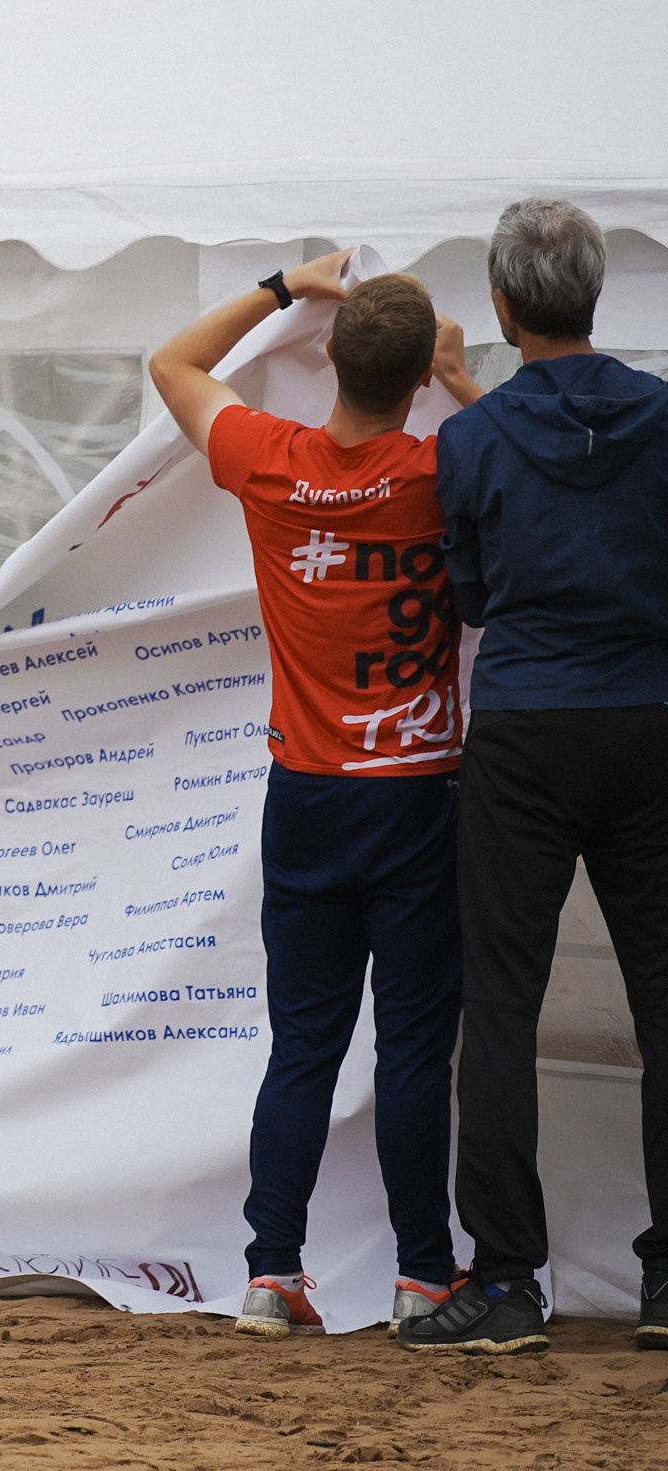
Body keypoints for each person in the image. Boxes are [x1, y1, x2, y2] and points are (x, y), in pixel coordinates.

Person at [150, 251, 475, 1339]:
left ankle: (270, 1272)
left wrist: (288, 284)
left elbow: (173, 361)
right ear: (422, 375)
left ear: (328, 358)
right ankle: (423, 1274)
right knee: (414, 1053)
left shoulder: (268, 458)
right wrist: (465, 381)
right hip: (419, 797)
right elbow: (540, 453)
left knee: (303, 1047)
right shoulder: (450, 466)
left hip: (308, 796)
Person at [399, 199, 668, 1357]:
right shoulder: (664, 417)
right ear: (596, 296)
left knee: (499, 1005)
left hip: (524, 730)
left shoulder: (473, 441)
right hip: (651, 725)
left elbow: (468, 598)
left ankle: (508, 1282)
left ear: (503, 309)